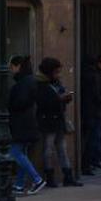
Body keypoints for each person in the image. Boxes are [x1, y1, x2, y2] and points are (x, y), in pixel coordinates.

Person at [35, 57, 83, 187]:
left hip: (58, 119)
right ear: (49, 71)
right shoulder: (41, 84)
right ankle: (50, 177)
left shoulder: (56, 83)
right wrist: (60, 100)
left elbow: (59, 96)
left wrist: (65, 98)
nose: (58, 74)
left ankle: (68, 176)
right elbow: (43, 103)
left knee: (62, 148)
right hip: (48, 120)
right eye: (56, 71)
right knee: (48, 149)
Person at [8, 56, 45, 195]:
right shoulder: (29, 81)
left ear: (18, 67)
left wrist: (10, 105)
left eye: (12, 67)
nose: (11, 70)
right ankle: (19, 185)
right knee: (21, 153)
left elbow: (20, 103)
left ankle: (37, 179)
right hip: (27, 123)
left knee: (15, 152)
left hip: (22, 124)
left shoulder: (23, 83)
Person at [81, 55, 101, 175]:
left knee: (95, 136)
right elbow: (97, 94)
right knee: (94, 137)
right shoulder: (94, 76)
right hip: (95, 111)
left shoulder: (95, 75)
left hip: (95, 111)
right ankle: (91, 162)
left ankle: (93, 161)